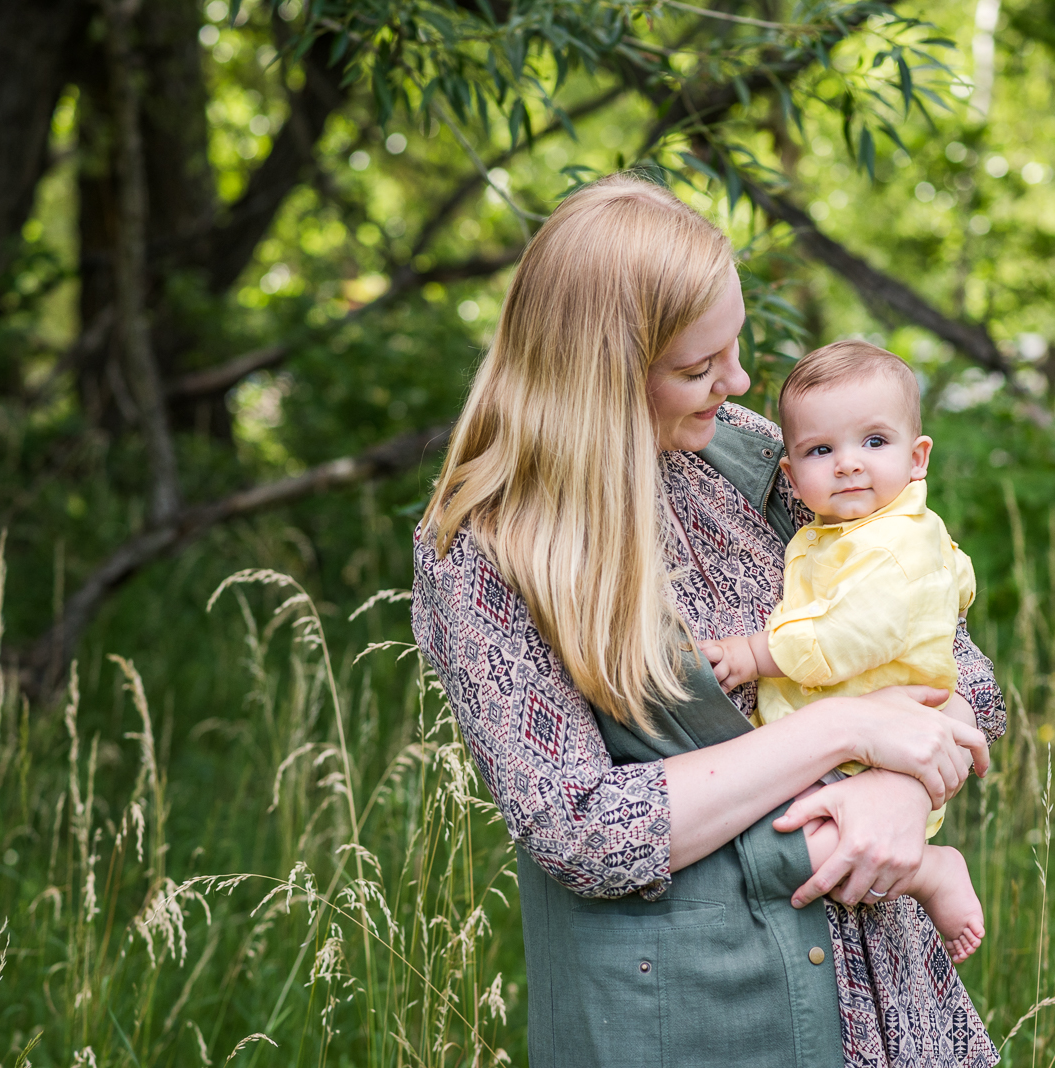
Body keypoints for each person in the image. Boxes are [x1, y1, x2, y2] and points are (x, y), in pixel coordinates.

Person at [411, 173, 1007, 1068]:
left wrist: (903, 790)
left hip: (891, 991)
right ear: (600, 376)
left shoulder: (760, 455)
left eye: (734, 348)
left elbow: (958, 669)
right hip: (701, 1011)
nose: (737, 382)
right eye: (697, 368)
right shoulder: (486, 547)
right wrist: (847, 729)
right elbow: (582, 831)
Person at [700, 339, 985, 963]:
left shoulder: (892, 546)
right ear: (791, 475)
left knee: (804, 841)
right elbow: (957, 579)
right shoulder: (851, 530)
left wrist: (753, 654)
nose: (848, 464)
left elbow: (845, 636)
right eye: (821, 451)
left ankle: (931, 871)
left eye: (874, 443)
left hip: (878, 754)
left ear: (918, 458)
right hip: (851, 737)